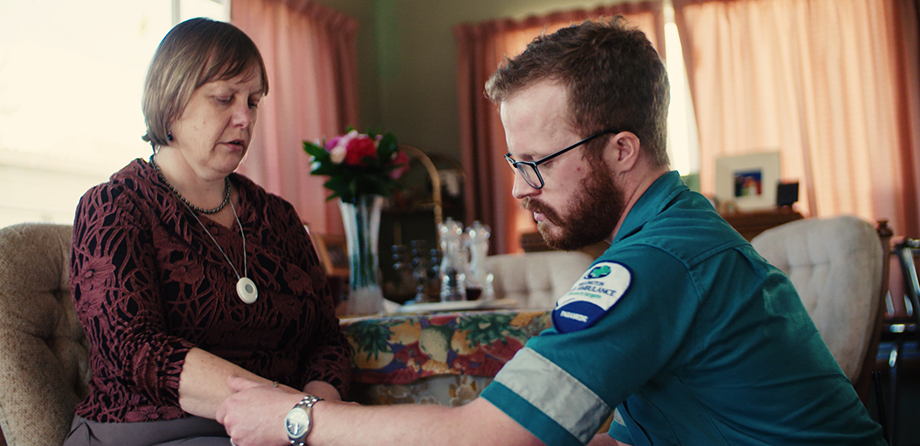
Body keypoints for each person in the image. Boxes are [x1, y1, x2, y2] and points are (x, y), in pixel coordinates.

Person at [216, 17, 886, 446]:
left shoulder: (652, 265)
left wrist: (293, 419)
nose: (517, 188)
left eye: (535, 164)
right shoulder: (683, 230)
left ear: (622, 150)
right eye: (514, 163)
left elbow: (482, 439)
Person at [65, 18, 351, 446]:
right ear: (171, 103)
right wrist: (292, 411)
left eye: (253, 102)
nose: (244, 118)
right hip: (155, 431)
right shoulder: (113, 207)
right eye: (224, 98)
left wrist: (310, 417)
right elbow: (136, 350)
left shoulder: (278, 217)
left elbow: (328, 341)